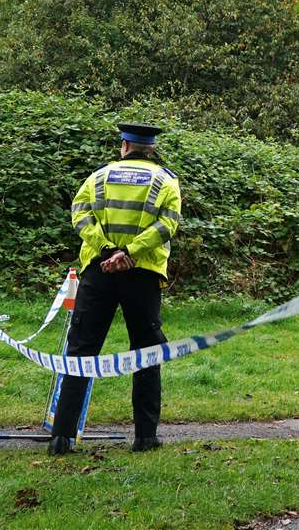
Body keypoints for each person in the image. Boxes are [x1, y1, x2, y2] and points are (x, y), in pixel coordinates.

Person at [49, 123, 182, 455]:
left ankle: (62, 437)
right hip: (143, 274)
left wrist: (107, 250)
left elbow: (79, 215)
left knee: (80, 352)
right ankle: (145, 437)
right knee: (146, 353)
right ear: (150, 148)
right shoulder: (166, 181)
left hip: (99, 271)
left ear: (124, 145)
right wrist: (131, 253)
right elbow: (168, 224)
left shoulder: (98, 177)